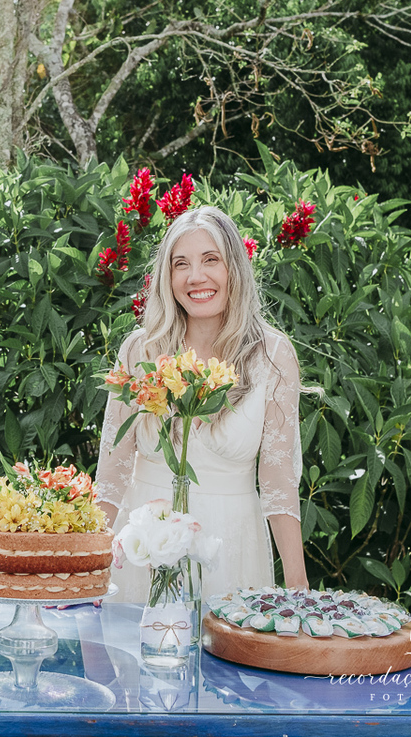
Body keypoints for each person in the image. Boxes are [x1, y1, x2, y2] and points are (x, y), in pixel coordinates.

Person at [96, 206, 308, 603]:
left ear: (235, 269)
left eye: (211, 260)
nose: (196, 277)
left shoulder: (273, 356)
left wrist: (298, 590)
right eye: (181, 264)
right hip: (141, 552)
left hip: (232, 551)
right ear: (167, 276)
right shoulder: (140, 350)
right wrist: (86, 567)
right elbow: (111, 476)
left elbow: (278, 483)